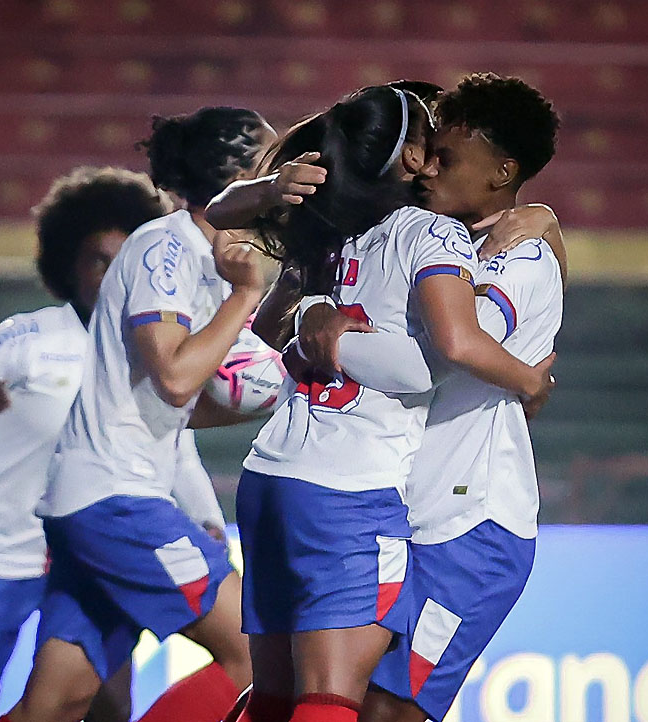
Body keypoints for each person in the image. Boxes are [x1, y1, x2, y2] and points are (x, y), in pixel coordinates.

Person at [228, 85, 555, 722]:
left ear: (502, 173)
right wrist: (313, 324)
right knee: (313, 697)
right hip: (386, 505)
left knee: (372, 709)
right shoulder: (401, 237)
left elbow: (442, 353)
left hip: (466, 529)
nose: (429, 166)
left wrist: (321, 334)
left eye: (446, 156)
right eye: (426, 151)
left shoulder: (517, 256)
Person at [0, 107, 276, 722]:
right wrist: (247, 298)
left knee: (57, 702)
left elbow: (170, 409)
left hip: (108, 498)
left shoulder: (208, 262)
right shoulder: (165, 249)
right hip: (116, 501)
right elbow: (175, 378)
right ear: (238, 176)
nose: (285, 176)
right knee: (256, 655)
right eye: (271, 160)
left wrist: (199, 508)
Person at [0, 167, 213, 722]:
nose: (112, 273)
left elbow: (173, 444)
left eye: (125, 260)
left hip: (94, 552)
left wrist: (205, 515)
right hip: (1, 554)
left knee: (106, 706)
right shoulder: (26, 337)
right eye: (99, 259)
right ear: (67, 264)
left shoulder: (146, 350)